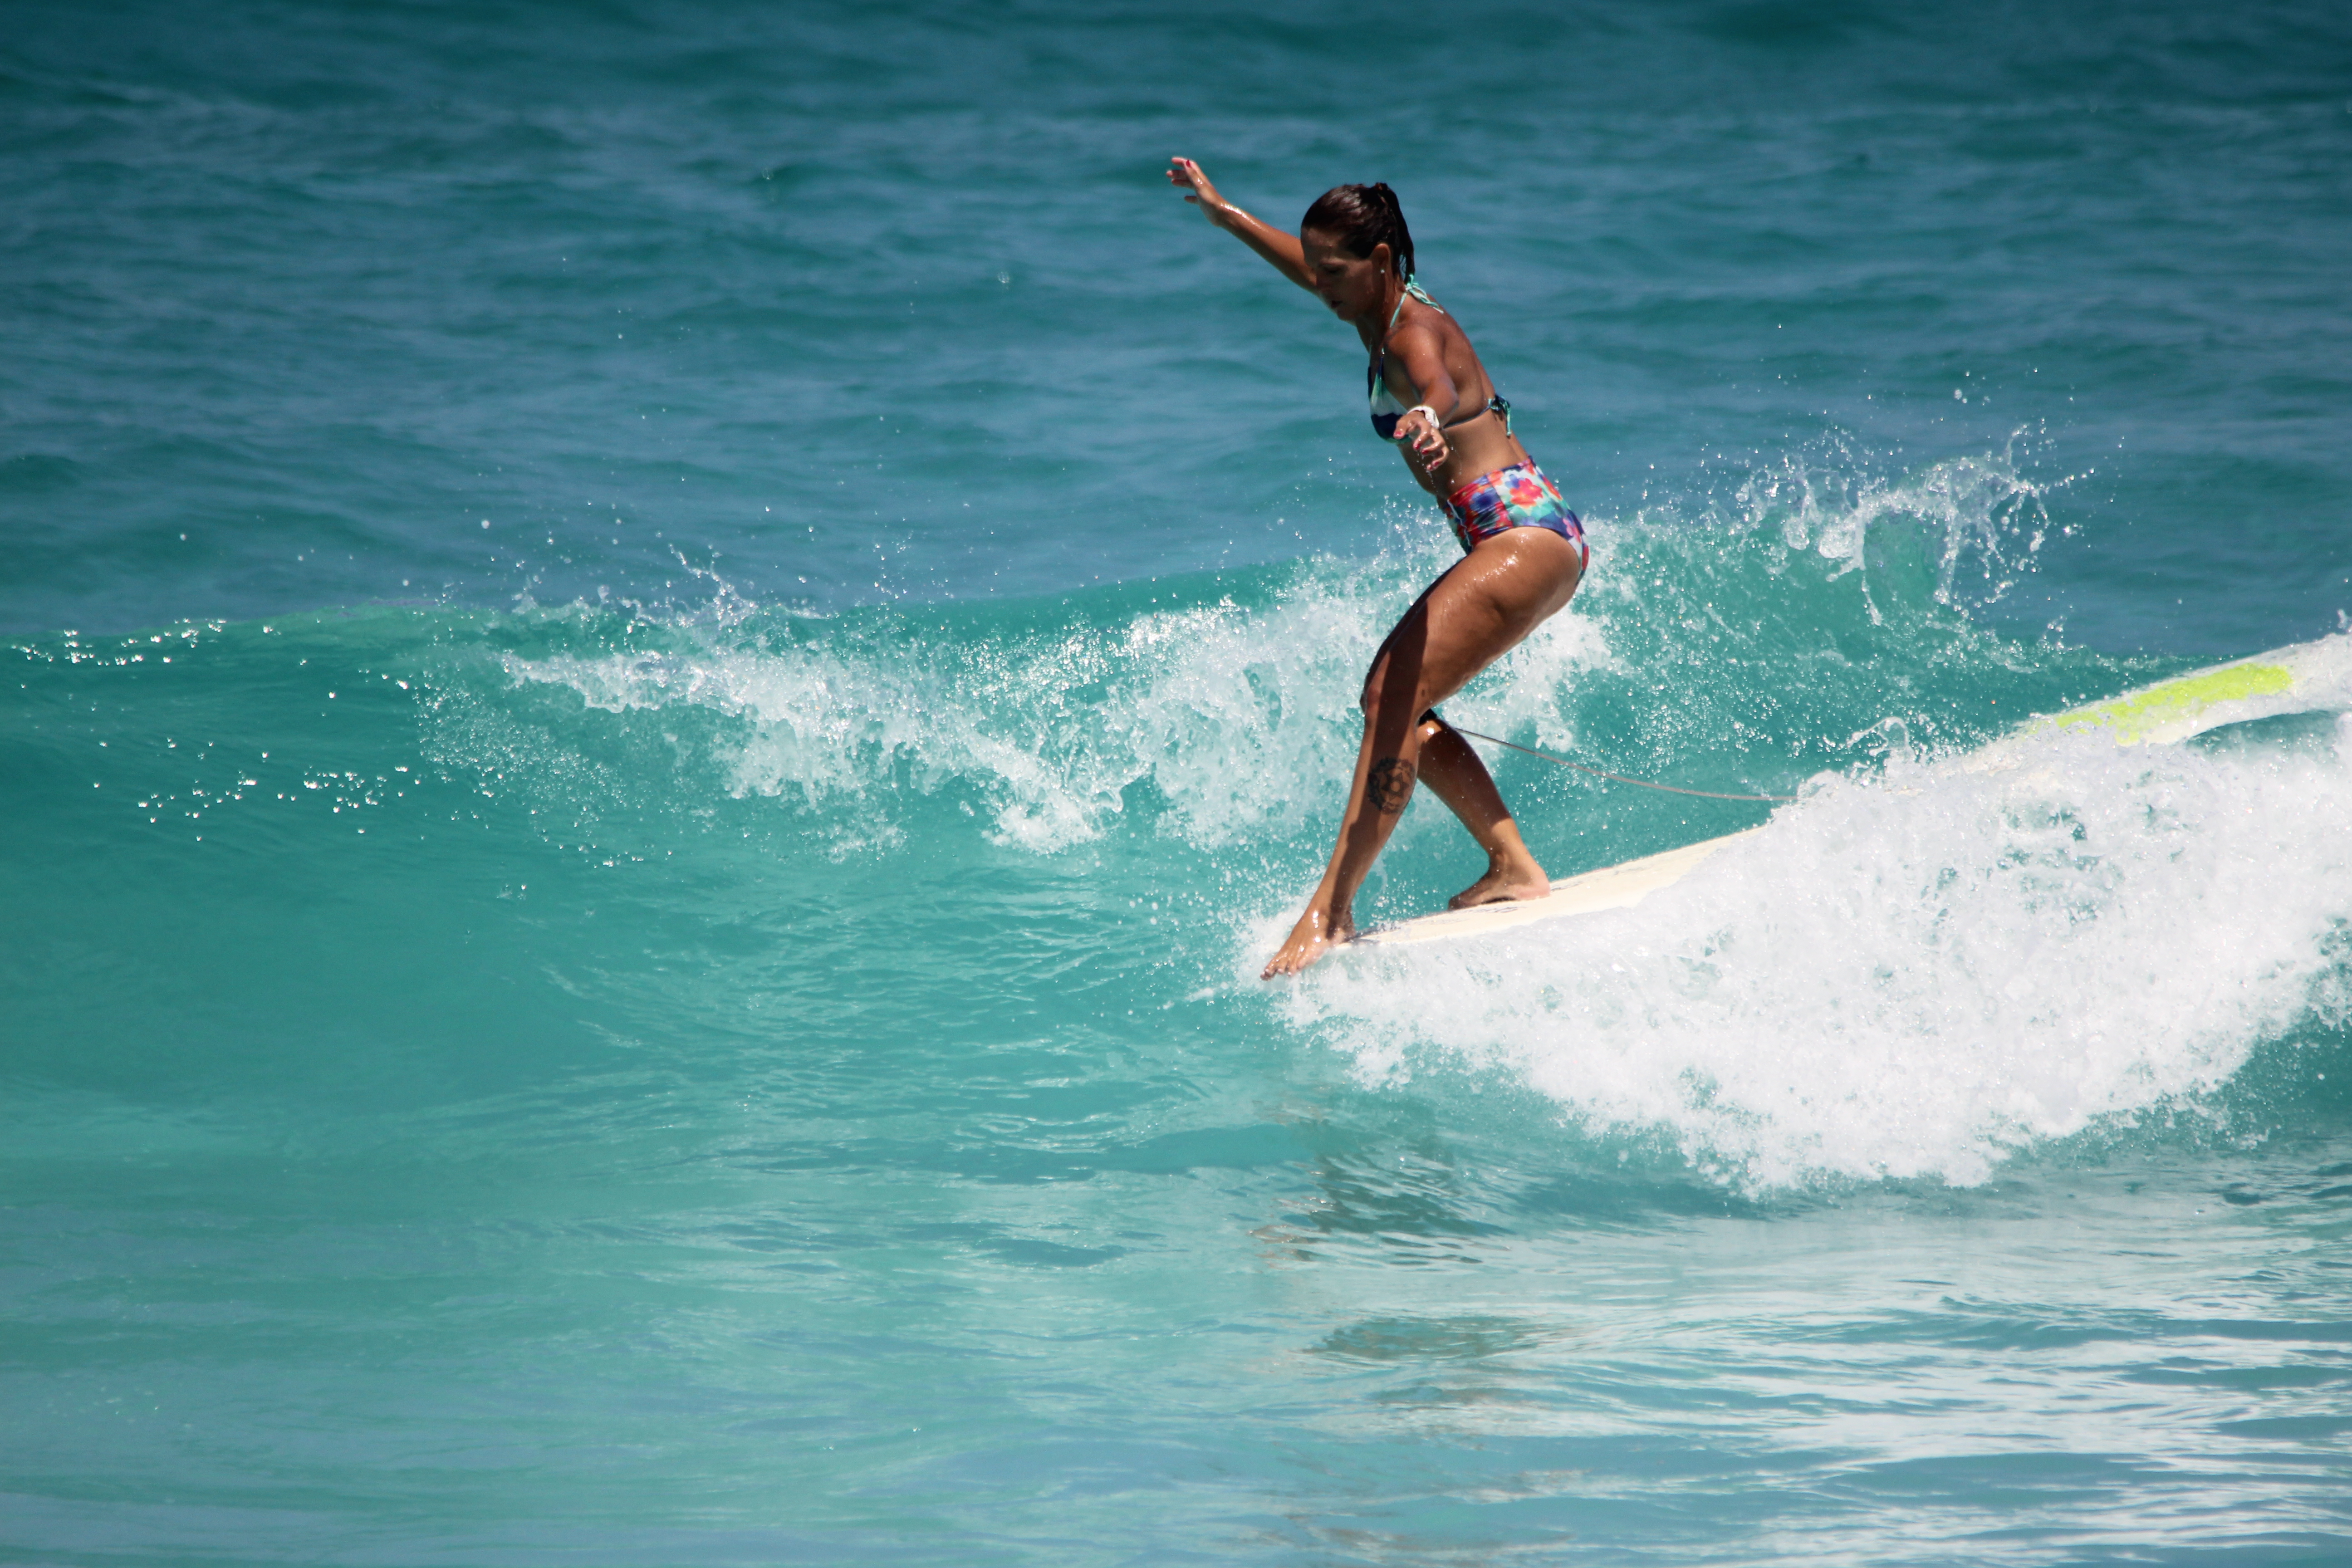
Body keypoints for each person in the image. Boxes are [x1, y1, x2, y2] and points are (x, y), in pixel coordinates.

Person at [1166, 158, 1591, 978]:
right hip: (1524, 532)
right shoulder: (1374, 302)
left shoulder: (1408, 332)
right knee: (1404, 704)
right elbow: (1302, 265)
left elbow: (1428, 381)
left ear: (1383, 263)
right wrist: (1227, 217)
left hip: (1524, 536)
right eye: (1315, 265)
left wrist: (1427, 418)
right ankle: (1512, 867)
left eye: (1335, 269)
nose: (1318, 281)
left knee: (1387, 695)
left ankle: (1332, 910)